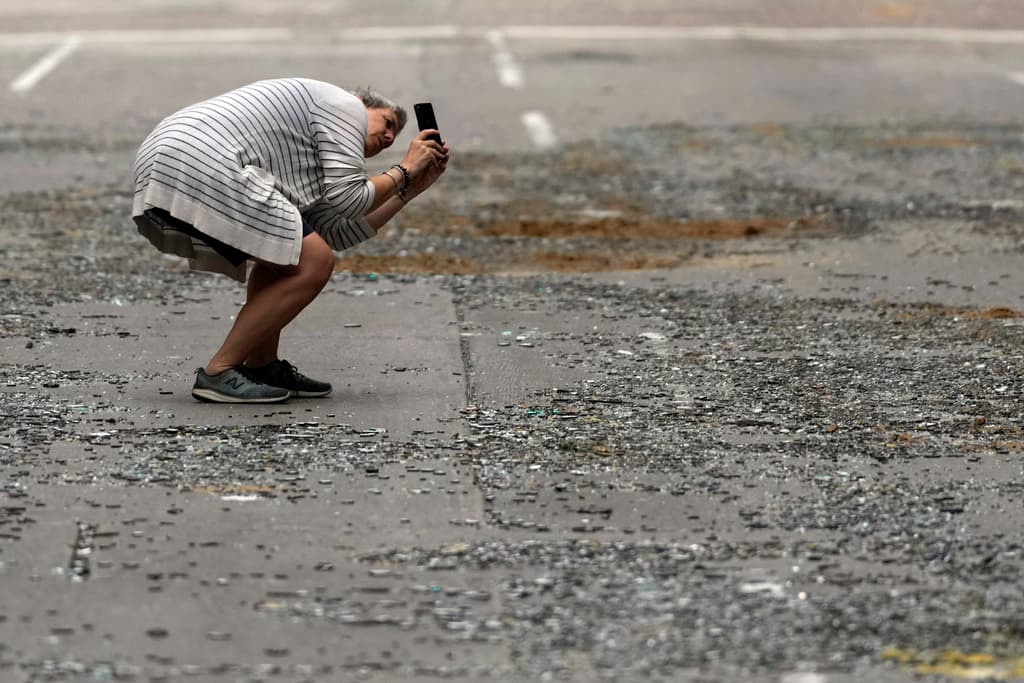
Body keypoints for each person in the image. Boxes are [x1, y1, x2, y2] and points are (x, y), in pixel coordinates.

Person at [131, 78, 448, 404]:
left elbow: (337, 231)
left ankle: (262, 367)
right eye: (388, 122)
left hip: (172, 156)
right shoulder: (344, 105)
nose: (390, 137)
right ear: (363, 103)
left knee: (290, 252)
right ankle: (219, 371)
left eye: (394, 136)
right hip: (197, 156)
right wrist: (404, 169)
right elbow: (350, 200)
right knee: (314, 261)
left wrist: (409, 190)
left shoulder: (314, 144)